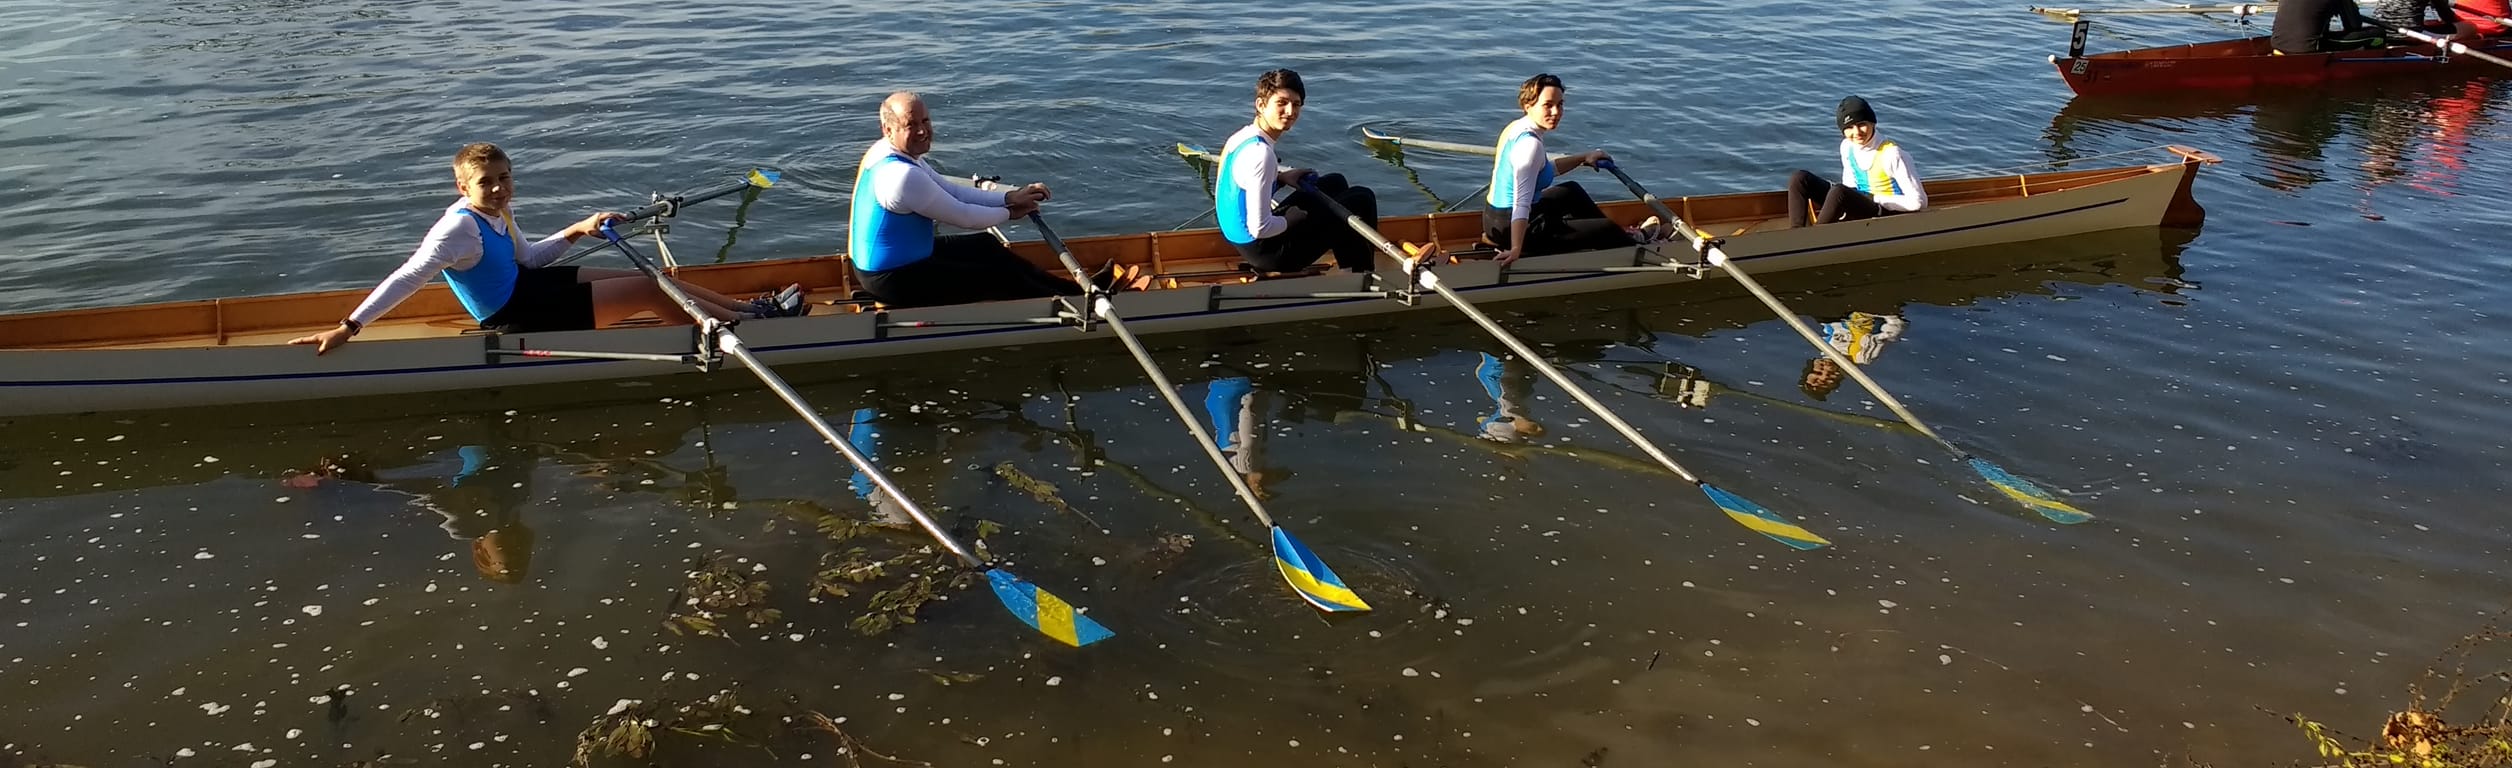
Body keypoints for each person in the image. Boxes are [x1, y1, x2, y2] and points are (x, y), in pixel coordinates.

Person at [292, 142, 795, 355]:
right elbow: (407, 276)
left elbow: (530, 259)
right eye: (486, 183)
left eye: (505, 179)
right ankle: (750, 334)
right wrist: (349, 326)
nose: (499, 189)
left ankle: (751, 310)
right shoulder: (457, 231)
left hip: (526, 286)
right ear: (462, 187)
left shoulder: (498, 213)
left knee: (660, 279)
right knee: (648, 290)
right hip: (513, 315)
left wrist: (579, 228)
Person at [851, 92, 1108, 308]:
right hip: (893, 279)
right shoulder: (902, 176)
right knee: (998, 276)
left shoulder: (887, 151)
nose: (922, 130)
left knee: (987, 245)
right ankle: (1081, 305)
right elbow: (966, 217)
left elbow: (951, 190)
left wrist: (1009, 197)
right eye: (911, 125)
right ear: (888, 129)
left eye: (926, 121)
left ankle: (1079, 290)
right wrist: (1010, 212)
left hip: (901, 259)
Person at [1215, 69, 1382, 274]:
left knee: (1335, 182)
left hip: (1244, 242)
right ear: (1260, 105)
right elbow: (1260, 228)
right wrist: (1290, 220)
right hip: (1270, 254)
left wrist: (1282, 178)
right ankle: (1362, 275)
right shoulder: (1261, 154)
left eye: (1296, 104)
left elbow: (1242, 185)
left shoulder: (1241, 138)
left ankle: (1348, 263)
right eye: (1282, 103)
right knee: (1362, 198)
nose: (1290, 111)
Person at [1484, 74, 1660, 266]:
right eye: (1548, 105)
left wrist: (1583, 157)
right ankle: (1630, 244)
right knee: (1606, 228)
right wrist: (1516, 249)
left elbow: (1545, 170)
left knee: (1571, 192)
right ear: (1528, 106)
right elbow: (1521, 204)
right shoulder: (1530, 146)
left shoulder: (1516, 127)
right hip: (1515, 228)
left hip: (1493, 219)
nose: (1556, 112)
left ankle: (1609, 241)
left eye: (1560, 105)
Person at [1783, 97, 1926, 229]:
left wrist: (1875, 198)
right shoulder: (1847, 146)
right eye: (1849, 127)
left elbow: (1918, 202)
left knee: (1839, 191)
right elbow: (1850, 185)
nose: (1856, 132)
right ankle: (1797, 233)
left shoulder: (1892, 154)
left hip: (1884, 211)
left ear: (1872, 123)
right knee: (1800, 178)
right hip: (1858, 204)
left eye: (1862, 124)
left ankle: (1814, 240)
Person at [1799, 312, 1904, 401]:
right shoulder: (1862, 356)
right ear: (1840, 376)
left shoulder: (1822, 345)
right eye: (1830, 376)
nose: (1827, 369)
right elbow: (1894, 330)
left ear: (1813, 364)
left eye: (1817, 372)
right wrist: (1888, 315)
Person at [2271, 0, 2384, 53]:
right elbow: (2353, 26)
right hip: (2307, 48)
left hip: (2277, 43)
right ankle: (2375, 63)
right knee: (2378, 34)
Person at [2371, 0, 2480, 42]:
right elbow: (2447, 16)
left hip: (2383, 31)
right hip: (2410, 35)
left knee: (2428, 23)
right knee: (2471, 27)